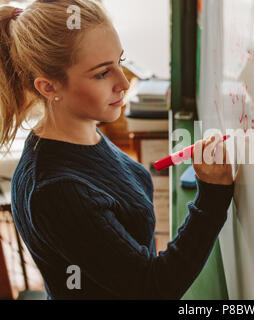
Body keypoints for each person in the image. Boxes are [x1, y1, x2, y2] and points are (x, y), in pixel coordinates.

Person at [0, 0, 234, 299]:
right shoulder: (56, 190)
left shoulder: (82, 132)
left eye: (119, 62)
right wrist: (212, 198)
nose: (124, 83)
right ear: (49, 87)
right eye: (101, 73)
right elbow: (153, 288)